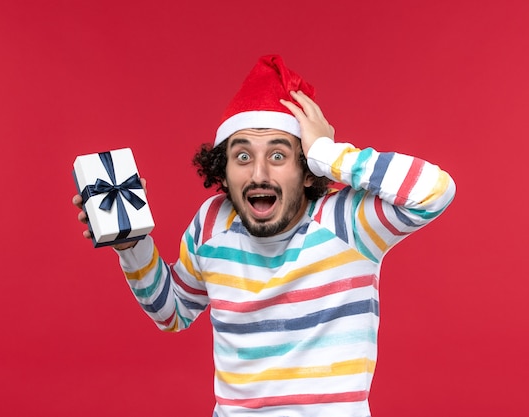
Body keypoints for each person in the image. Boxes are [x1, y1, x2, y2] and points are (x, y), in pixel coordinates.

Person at [73, 55, 456, 417]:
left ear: (307, 171)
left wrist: (328, 151)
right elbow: (173, 313)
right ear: (222, 173)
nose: (258, 174)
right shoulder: (211, 224)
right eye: (242, 156)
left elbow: (434, 191)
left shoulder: (348, 222)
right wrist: (132, 244)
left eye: (278, 156)